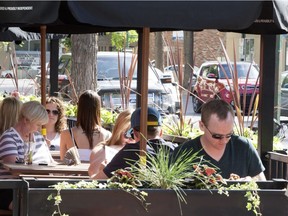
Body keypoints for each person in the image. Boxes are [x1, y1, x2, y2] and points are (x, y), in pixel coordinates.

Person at [172, 99, 266, 180]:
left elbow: (262, 185)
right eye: (217, 136)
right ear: (202, 126)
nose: (224, 141)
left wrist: (250, 182)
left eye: (229, 135)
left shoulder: (244, 147)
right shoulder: (182, 153)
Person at [95, 106, 177, 179]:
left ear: (134, 133)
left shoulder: (131, 151)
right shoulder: (175, 150)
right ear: (161, 132)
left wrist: (101, 168)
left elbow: (97, 181)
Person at [0, 100, 53, 210]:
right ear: (26, 120)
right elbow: (15, 170)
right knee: (39, 206)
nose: (39, 128)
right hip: (12, 189)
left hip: (34, 186)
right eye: (38, 124)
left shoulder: (38, 137)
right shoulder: (9, 138)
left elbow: (50, 162)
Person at [60, 90, 111, 162]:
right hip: (96, 173)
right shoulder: (107, 135)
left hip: (74, 172)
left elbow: (63, 161)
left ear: (79, 108)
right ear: (98, 109)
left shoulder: (66, 134)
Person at [89, 109, 134, 178]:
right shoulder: (101, 150)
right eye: (126, 134)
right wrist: (102, 171)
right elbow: (93, 179)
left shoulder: (143, 151)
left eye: (134, 135)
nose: (131, 139)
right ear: (118, 131)